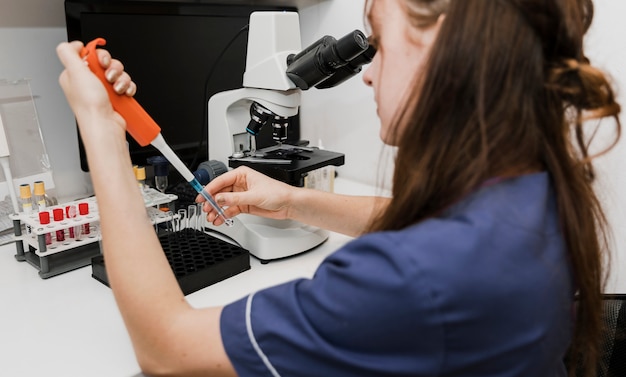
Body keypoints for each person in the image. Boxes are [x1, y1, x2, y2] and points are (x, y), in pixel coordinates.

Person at [56, 0, 621, 375]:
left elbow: (164, 349)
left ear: (450, 49)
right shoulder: (535, 187)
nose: (367, 72)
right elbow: (415, 217)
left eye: (378, 44)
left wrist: (103, 131)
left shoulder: (413, 279)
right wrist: (291, 198)